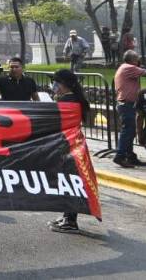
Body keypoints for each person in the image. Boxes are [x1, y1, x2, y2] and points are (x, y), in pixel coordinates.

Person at [49, 70, 90, 233]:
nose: (54, 85)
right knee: (69, 180)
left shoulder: (68, 100)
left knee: (69, 181)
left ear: (64, 84)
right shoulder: (73, 98)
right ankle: (67, 215)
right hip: (73, 144)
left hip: (67, 146)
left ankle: (70, 220)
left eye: (56, 82)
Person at [114, 50, 146, 168]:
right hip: (127, 105)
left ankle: (130, 156)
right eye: (137, 58)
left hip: (126, 104)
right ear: (132, 60)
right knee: (128, 131)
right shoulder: (129, 67)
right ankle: (120, 155)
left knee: (130, 132)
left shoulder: (125, 67)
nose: (139, 60)